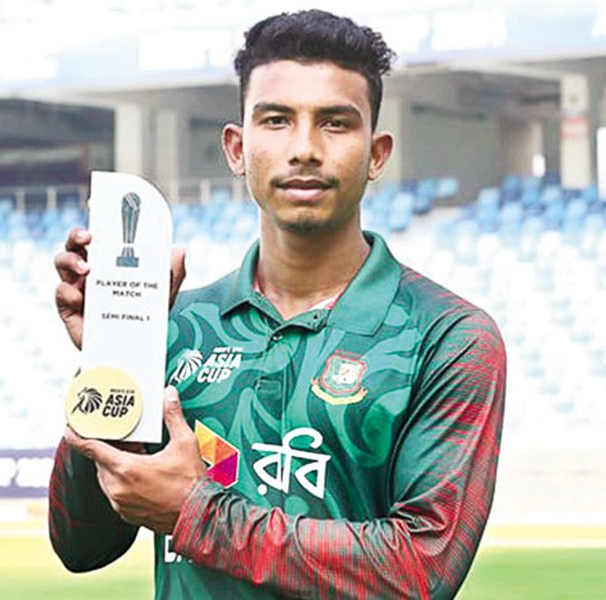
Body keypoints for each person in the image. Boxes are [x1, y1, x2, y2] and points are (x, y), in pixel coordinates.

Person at [49, 9, 506, 599]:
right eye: (276, 120)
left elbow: (423, 570)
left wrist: (198, 514)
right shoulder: (179, 326)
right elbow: (82, 545)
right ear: (237, 148)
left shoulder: (448, 337)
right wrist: (115, 355)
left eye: (335, 123)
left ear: (376, 154)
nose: (305, 148)